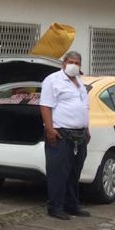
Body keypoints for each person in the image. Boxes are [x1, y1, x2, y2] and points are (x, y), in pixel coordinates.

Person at [40, 50, 91, 220]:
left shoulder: (79, 82)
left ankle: (72, 205)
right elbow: (45, 106)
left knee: (74, 172)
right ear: (64, 63)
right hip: (60, 133)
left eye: (77, 63)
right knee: (58, 172)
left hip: (79, 134)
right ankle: (55, 207)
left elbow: (85, 107)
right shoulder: (53, 80)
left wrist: (87, 129)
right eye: (71, 62)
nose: (74, 65)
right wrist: (50, 129)